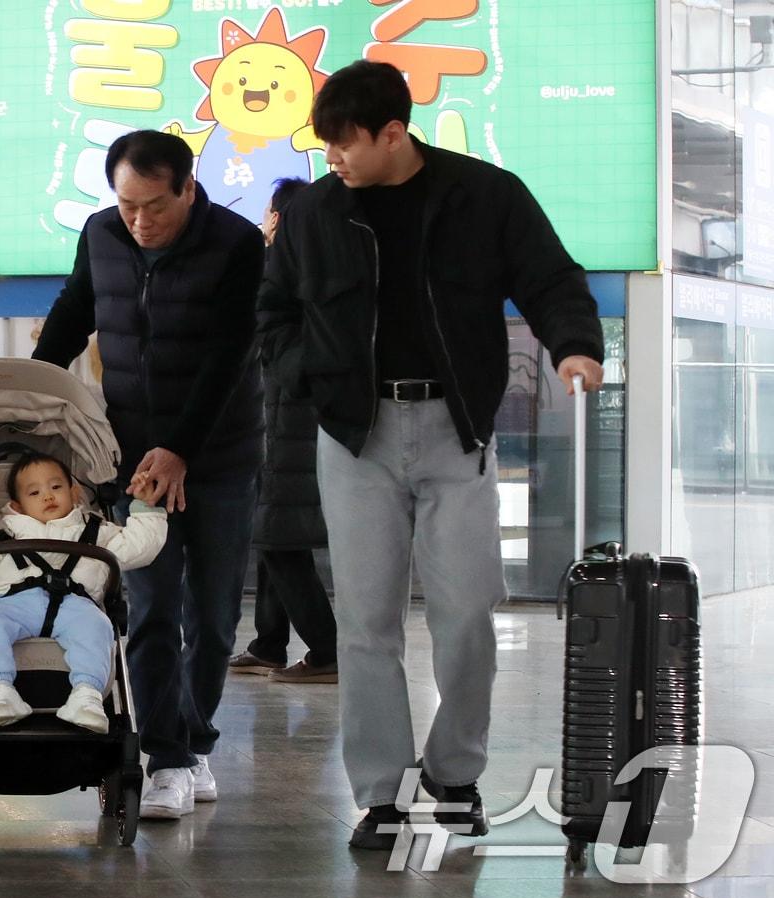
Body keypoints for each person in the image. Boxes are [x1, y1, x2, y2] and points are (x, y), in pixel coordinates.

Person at [257, 61, 605, 850]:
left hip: (456, 430)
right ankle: (380, 793)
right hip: (356, 435)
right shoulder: (314, 212)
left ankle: (455, 775)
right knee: (367, 621)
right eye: (326, 147)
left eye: (347, 145)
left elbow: (551, 278)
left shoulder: (485, 196)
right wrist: (306, 378)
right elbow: (272, 309)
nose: (334, 160)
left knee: (467, 615)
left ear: (393, 132)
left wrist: (576, 347)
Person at [33, 129, 265, 820]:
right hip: (131, 459)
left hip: (218, 456)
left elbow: (229, 353)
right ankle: (166, 756)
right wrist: (36, 390)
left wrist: (182, 449)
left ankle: (194, 741)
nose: (139, 222)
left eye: (153, 206)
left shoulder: (238, 243)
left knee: (216, 615)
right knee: (153, 607)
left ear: (189, 188)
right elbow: (75, 313)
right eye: (127, 205)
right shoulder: (103, 235)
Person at [0, 453, 167, 733]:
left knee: (98, 625)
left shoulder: (97, 533)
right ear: (16, 505)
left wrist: (146, 507)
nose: (47, 496)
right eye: (34, 492)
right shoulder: (0, 534)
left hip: (75, 606)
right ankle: (0, 690)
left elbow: (139, 546)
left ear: (74, 492)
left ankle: (86, 695)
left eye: (56, 487)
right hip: (9, 603)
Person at [228, 177, 339, 684]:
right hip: (287, 420)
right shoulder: (311, 265)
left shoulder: (280, 268)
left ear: (279, 218)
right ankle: (269, 644)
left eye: (268, 212)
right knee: (278, 538)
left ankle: (328, 651)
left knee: (278, 541)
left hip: (288, 425)